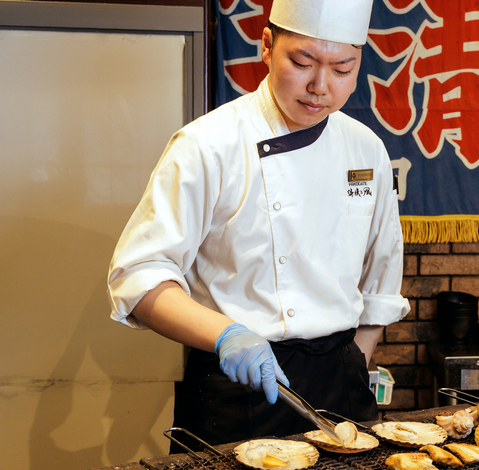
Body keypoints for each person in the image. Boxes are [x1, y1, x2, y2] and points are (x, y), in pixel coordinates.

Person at [106, 0, 410, 449]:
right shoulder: (207, 145)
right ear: (266, 46)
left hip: (340, 385)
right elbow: (139, 276)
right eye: (302, 62)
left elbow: (381, 285)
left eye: (342, 69)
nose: (320, 87)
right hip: (237, 387)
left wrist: (354, 366)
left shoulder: (365, 150)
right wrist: (226, 334)